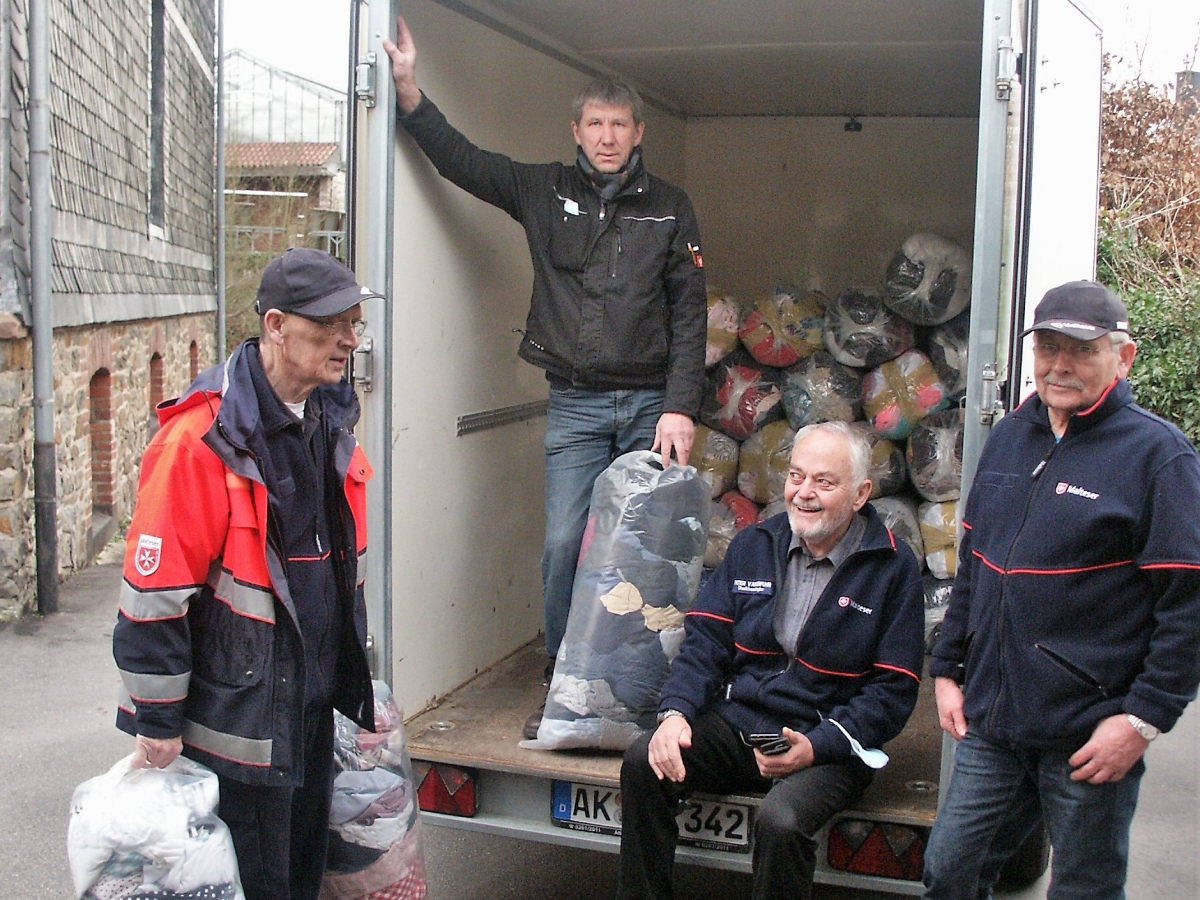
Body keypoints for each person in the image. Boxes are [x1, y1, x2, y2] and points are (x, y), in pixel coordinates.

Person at [382, 16, 708, 737]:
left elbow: (691, 316)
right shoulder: (542, 191)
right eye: (595, 122)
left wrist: (681, 407)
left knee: (648, 549)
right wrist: (408, 91)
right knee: (566, 542)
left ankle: (645, 686)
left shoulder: (669, 207)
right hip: (578, 406)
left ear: (639, 132)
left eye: (620, 124)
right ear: (576, 130)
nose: (608, 136)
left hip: (652, 404)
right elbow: (462, 160)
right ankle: (565, 679)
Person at [112, 248, 381, 900]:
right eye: (330, 324)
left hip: (309, 715)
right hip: (235, 733)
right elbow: (154, 593)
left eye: (354, 322)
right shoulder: (201, 439)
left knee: (301, 881)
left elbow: (342, 573)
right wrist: (156, 720)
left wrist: (359, 683)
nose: (348, 339)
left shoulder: (328, 418)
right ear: (276, 325)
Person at [923, 281, 1200, 900]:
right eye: (1047, 348)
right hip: (992, 721)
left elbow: (1189, 610)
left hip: (1089, 732)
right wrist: (947, 669)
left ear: (1123, 358)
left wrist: (1142, 721)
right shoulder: (1011, 437)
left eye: (1080, 350)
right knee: (949, 871)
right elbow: (975, 563)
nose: (1060, 365)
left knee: (1083, 887)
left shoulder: (1158, 457)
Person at [617, 421, 925, 900]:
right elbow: (705, 642)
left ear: (860, 493)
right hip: (743, 722)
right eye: (796, 476)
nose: (804, 493)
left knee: (781, 823)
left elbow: (893, 690)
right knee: (645, 762)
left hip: (829, 740)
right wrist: (675, 713)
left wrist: (818, 746)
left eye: (824, 482)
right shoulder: (755, 544)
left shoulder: (892, 566)